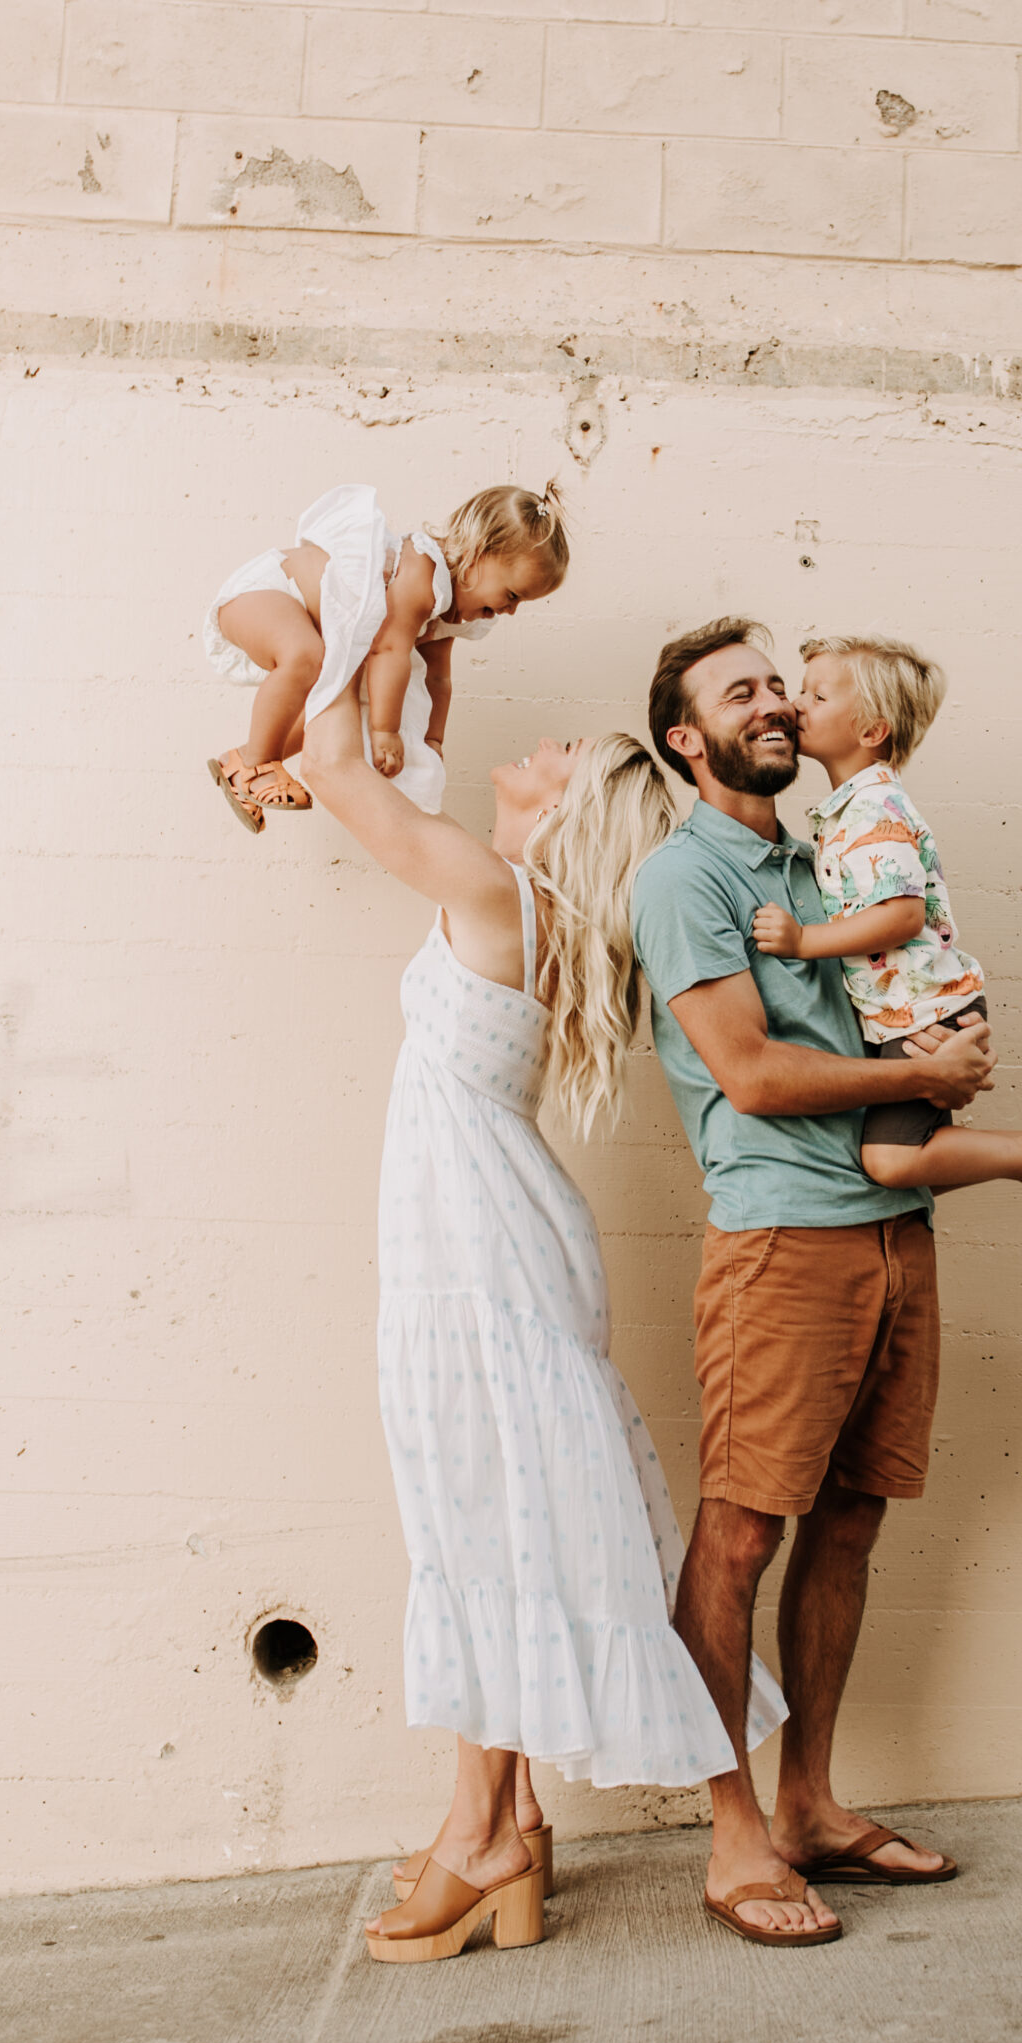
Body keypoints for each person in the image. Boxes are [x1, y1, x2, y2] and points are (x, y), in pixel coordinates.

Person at [299, 677, 782, 1967]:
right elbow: (393, 765)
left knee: (476, 1529)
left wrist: (368, 601)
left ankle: (482, 1837)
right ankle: (507, 1817)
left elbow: (338, 768)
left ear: (572, 815)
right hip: (488, 1246)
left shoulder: (497, 895)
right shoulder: (518, 902)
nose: (548, 742)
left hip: (479, 1256)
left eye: (568, 754)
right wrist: (427, 654)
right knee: (491, 1522)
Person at [629, 618, 994, 1949]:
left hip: (895, 1223)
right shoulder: (687, 882)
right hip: (783, 1242)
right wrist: (922, 1079)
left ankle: (810, 1809)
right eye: (742, 694)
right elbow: (754, 1076)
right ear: (687, 737)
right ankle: (731, 1837)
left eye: (782, 684)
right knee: (738, 1534)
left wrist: (938, 1044)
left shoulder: (830, 848)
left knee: (849, 1522)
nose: (776, 705)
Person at [752, 633, 1022, 1234]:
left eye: (817, 695)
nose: (797, 704)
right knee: (904, 1158)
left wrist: (803, 942)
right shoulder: (851, 807)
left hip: (922, 1015)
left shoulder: (873, 808)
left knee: (889, 1160)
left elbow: (901, 916)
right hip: (910, 1010)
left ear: (871, 730)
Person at [205, 480, 569, 830]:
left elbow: (438, 678)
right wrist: (385, 731)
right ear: (478, 556)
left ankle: (239, 761)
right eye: (513, 595)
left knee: (332, 698)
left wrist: (433, 740)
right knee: (307, 655)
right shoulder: (421, 570)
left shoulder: (444, 613)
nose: (511, 612)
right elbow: (388, 649)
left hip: (290, 613)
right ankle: (259, 763)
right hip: (268, 593)